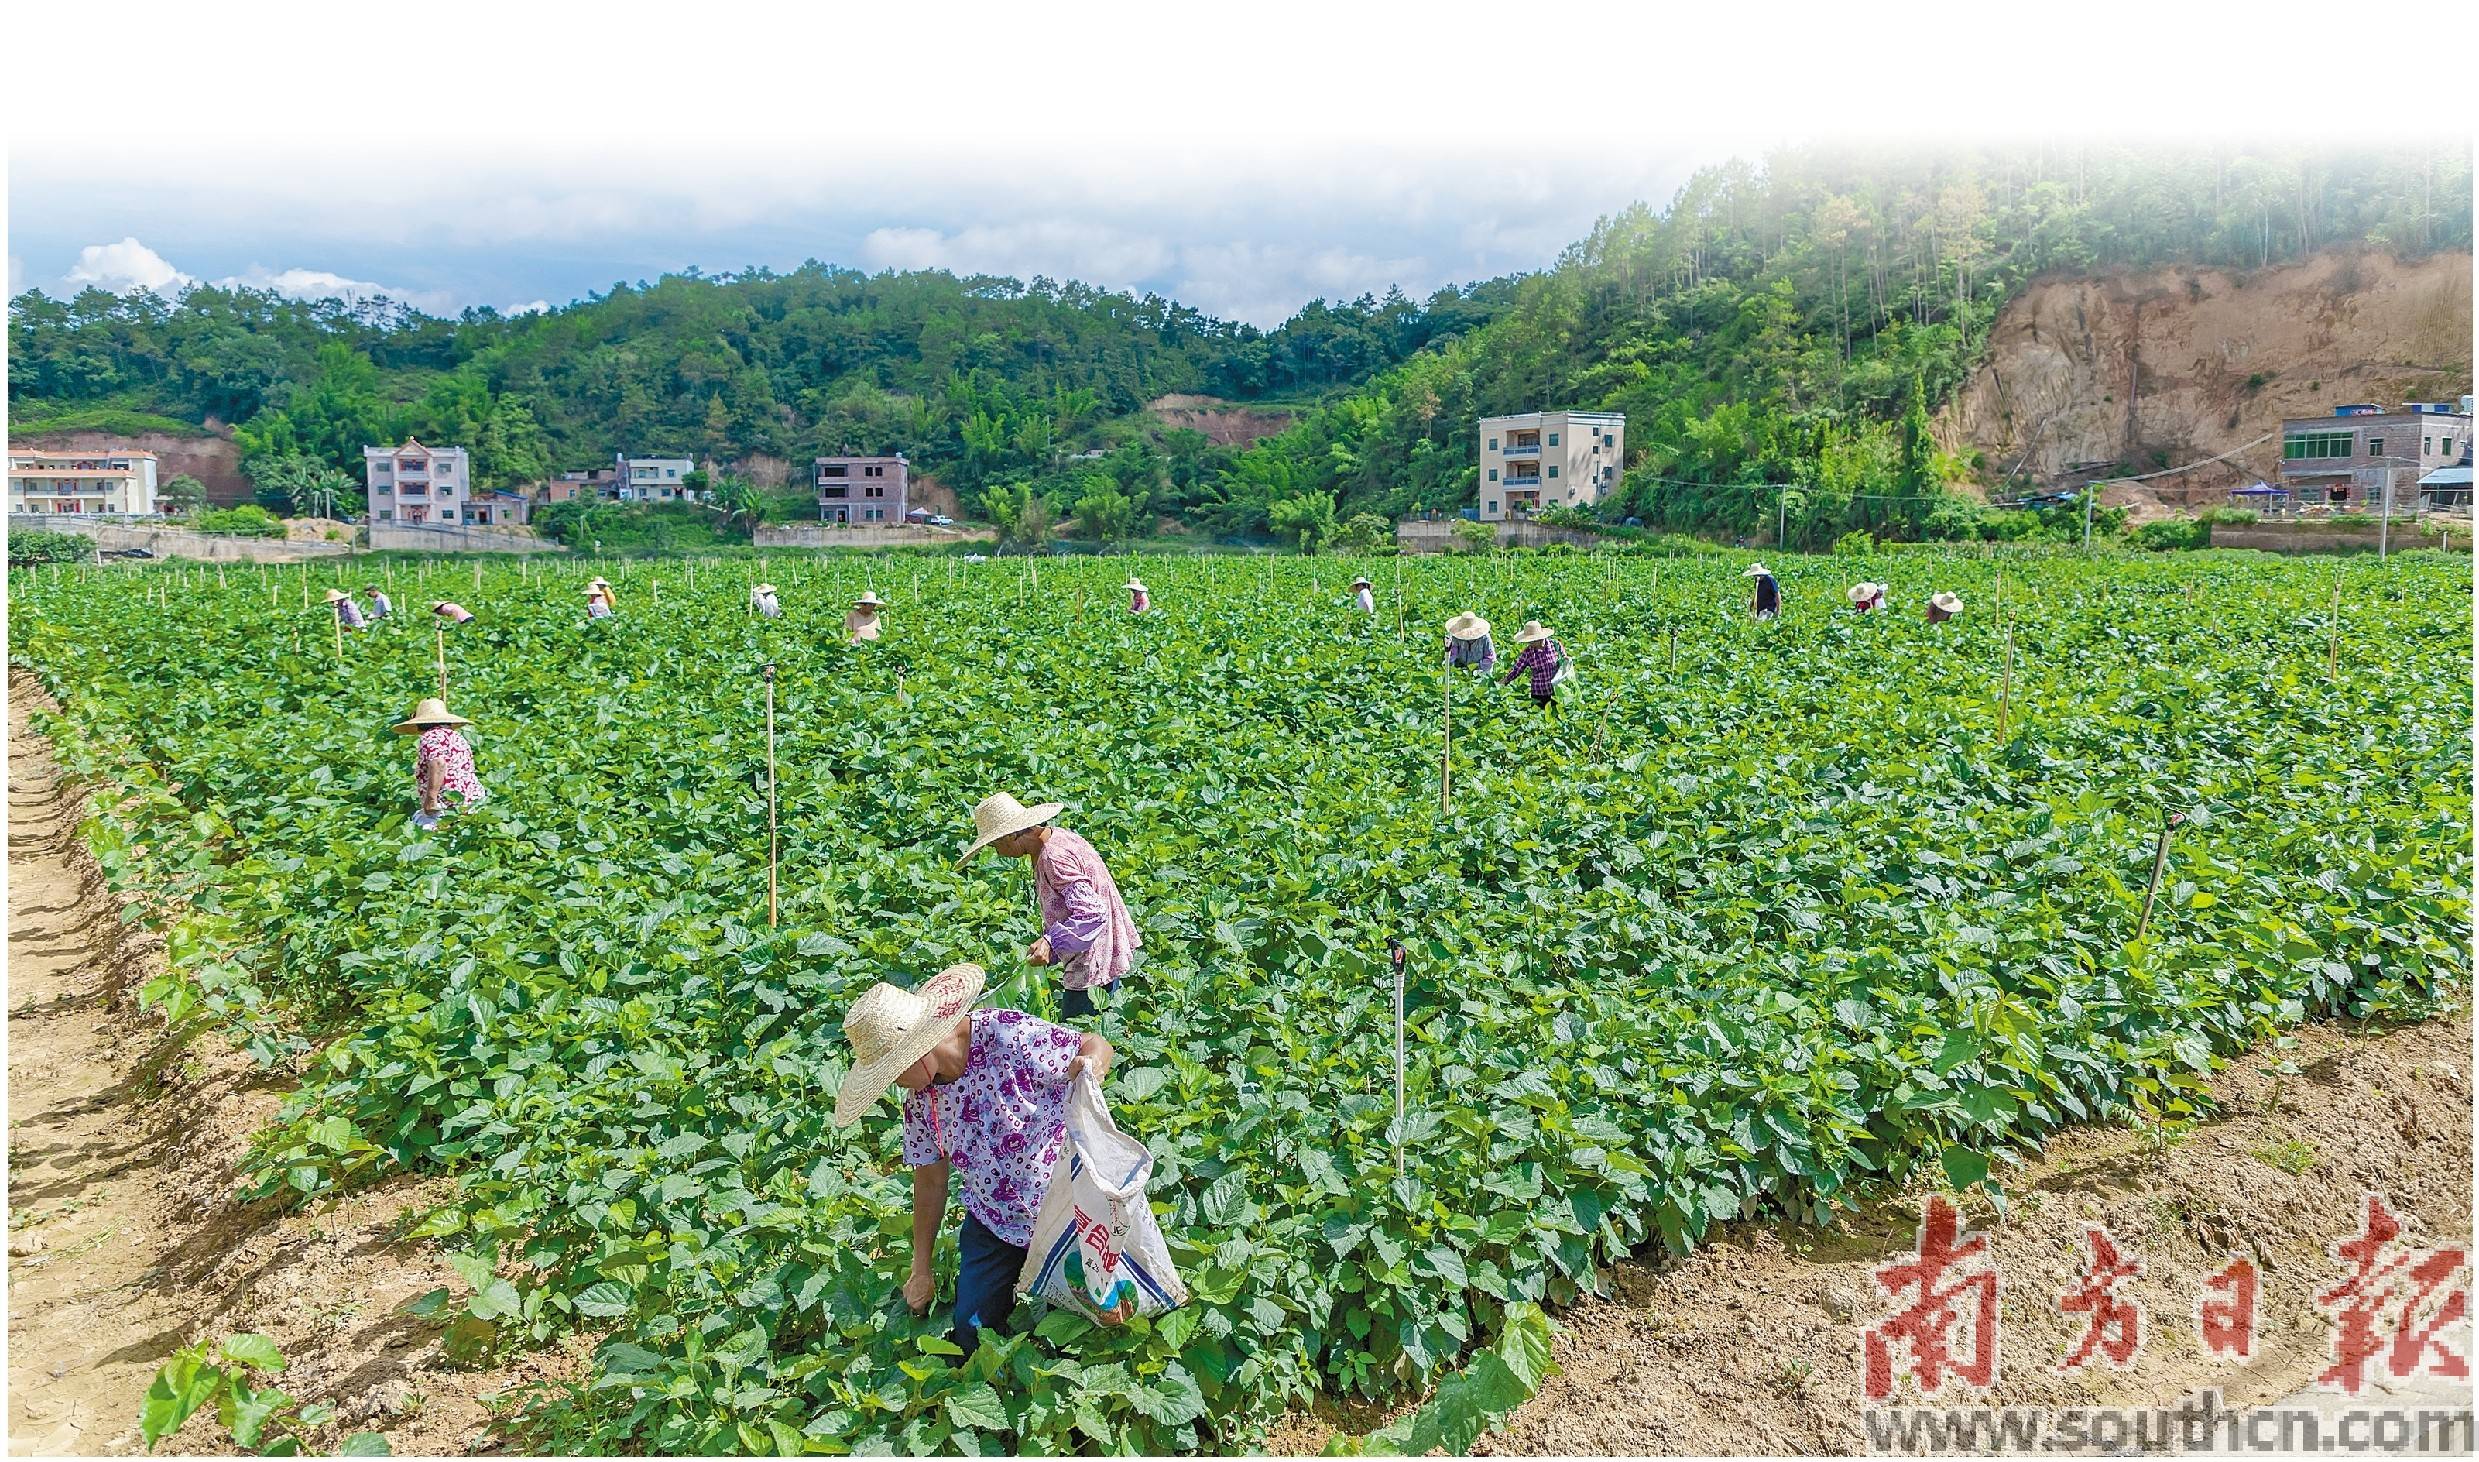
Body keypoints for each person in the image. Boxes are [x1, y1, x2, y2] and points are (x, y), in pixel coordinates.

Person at [832, 963, 1115, 1358]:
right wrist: (921, 1268)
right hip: (993, 1219)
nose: (893, 1085)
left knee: (1080, 1331)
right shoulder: (922, 1103)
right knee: (971, 1336)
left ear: (917, 1053)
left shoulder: (1004, 1035)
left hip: (1064, 1212)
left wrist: (1091, 1067)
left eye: (892, 1074)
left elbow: (1092, 1043)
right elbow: (930, 1181)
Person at [959, 793, 1139, 1021]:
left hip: (1091, 964)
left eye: (996, 843)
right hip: (1100, 954)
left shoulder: (1053, 858)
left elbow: (1092, 913)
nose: (997, 852)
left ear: (1012, 835)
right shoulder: (1059, 837)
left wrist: (1050, 941)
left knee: (1079, 1042)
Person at [394, 696, 485, 829]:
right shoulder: (456, 736)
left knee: (426, 835)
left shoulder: (430, 736)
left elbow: (438, 763)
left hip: (447, 803)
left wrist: (431, 799)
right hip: (470, 800)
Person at [1499, 620, 1568, 711]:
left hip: (1556, 692)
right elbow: (1516, 670)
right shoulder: (1528, 653)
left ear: (1539, 638)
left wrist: (1567, 660)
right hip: (1539, 693)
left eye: (1531, 640)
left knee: (1557, 717)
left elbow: (1565, 662)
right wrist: (1504, 681)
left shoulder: (1555, 645)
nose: (1529, 643)